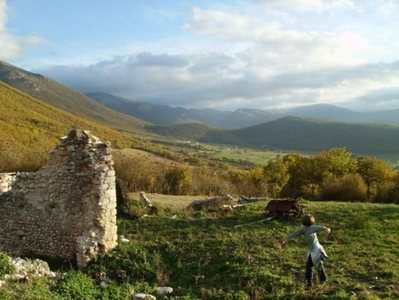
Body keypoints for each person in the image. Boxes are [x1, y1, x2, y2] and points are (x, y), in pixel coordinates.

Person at [280, 214, 331, 289]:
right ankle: (323, 278)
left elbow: (318, 228)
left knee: (309, 266)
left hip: (316, 249)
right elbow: (296, 233)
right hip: (314, 249)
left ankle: (309, 284)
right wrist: (286, 238)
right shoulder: (304, 229)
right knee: (318, 264)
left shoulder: (311, 228)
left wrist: (326, 229)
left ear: (303, 222)